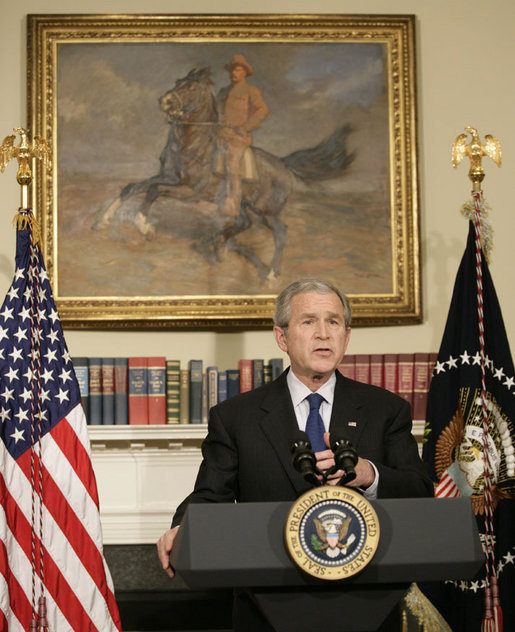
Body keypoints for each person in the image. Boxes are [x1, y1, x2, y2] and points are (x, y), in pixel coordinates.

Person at [157, 278, 434, 630]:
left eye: (333, 322)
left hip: (367, 604)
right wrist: (183, 527)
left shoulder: (386, 409)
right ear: (282, 337)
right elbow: (211, 494)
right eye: (308, 322)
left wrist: (369, 474)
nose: (323, 334)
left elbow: (420, 491)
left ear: (346, 337)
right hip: (269, 606)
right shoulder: (236, 416)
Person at [215, 54, 269, 217]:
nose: (234, 73)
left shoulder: (251, 90)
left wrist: (246, 127)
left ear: (245, 72)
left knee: (232, 164)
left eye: (238, 70)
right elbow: (219, 112)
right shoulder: (223, 92)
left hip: (238, 137)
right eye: (233, 70)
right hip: (221, 133)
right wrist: (219, 121)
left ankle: (233, 205)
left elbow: (263, 110)